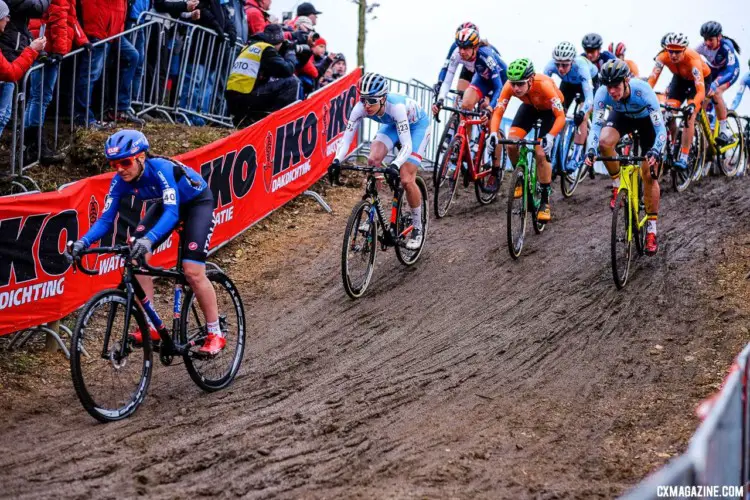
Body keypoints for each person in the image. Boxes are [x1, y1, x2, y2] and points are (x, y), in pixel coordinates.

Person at [67, 130, 225, 355]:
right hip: (166, 204)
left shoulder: (161, 168)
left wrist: (149, 240)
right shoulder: (119, 181)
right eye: (114, 164)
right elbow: (105, 220)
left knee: (192, 272)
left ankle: (215, 333)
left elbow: (172, 213)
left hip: (196, 205)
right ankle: (151, 327)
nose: (120, 169)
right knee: (136, 255)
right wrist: (83, 242)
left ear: (141, 157)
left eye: (125, 162)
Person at [328, 73, 431, 250]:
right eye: (363, 99)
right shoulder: (360, 108)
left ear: (383, 98)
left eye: (372, 100)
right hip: (392, 125)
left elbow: (406, 145)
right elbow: (346, 139)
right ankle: (372, 213)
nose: (367, 105)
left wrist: (395, 165)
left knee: (406, 178)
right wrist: (336, 161)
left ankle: (417, 228)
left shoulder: (396, 107)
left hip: (417, 127)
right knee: (373, 159)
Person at [585, 59, 666, 255]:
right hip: (622, 118)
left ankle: (652, 230)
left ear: (626, 80)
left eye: (616, 86)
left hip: (647, 123)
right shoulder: (603, 94)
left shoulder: (643, 90)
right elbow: (596, 125)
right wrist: (591, 149)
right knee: (604, 143)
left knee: (649, 175)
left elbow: (660, 128)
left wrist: (655, 149)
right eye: (608, 86)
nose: (612, 91)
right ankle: (617, 185)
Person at [489, 58, 566, 222]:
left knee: (540, 152)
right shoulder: (510, 87)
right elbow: (498, 112)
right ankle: (520, 177)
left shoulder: (544, 84)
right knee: (511, 144)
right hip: (530, 108)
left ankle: (545, 201)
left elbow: (561, 116)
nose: (516, 88)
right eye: (513, 84)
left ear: (530, 79)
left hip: (550, 113)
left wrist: (550, 136)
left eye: (520, 84)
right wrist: (493, 133)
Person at [26, 0, 87, 164]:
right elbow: (59, 18)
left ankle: (30, 146)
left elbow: (69, 18)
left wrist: (82, 40)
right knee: (40, 97)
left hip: (47, 44)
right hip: (48, 48)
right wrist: (60, 50)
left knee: (38, 97)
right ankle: (33, 147)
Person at [648, 32, 711, 173]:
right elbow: (651, 81)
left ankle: (684, 155)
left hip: (699, 82)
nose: (673, 55)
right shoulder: (662, 57)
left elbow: (700, 91)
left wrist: (693, 104)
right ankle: (672, 144)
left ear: (684, 50)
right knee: (667, 111)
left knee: (690, 114)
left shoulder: (693, 59)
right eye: (671, 51)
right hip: (680, 79)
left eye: (677, 52)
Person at [224, 23, 298, 127]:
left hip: (233, 100)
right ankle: (277, 123)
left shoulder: (249, 46)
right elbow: (288, 70)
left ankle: (251, 119)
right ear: (279, 41)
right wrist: (291, 53)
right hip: (246, 98)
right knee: (291, 82)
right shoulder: (266, 49)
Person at [544, 41, 597, 171]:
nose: (560, 68)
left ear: (572, 62)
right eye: (558, 64)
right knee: (558, 113)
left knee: (582, 116)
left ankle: (576, 157)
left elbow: (589, 97)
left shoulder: (581, 67)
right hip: (568, 83)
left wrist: (583, 112)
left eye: (565, 65)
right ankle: (556, 153)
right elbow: (543, 87)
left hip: (588, 82)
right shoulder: (550, 66)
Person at [434, 27, 506, 119]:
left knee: (488, 116)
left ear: (475, 47)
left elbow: (498, 87)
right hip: (482, 78)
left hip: (501, 81)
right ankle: (464, 133)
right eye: (460, 47)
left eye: (466, 48)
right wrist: (440, 99)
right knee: (465, 106)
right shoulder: (457, 53)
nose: (462, 52)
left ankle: (492, 132)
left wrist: (490, 108)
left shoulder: (486, 55)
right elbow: (447, 80)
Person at [0, 0, 49, 137]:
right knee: (2, 115)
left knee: (4, 116)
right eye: (5, 16)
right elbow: (11, 73)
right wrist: (32, 50)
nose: (8, 19)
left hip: (13, 53)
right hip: (10, 53)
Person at [695, 21, 741, 143]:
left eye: (711, 40)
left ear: (719, 37)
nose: (707, 43)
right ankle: (702, 131)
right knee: (702, 96)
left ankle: (724, 131)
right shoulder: (701, 47)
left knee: (716, 92)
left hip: (729, 71)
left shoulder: (727, 46)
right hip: (715, 71)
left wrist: (715, 84)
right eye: (705, 39)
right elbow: (689, 60)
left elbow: (730, 70)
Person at [433, 21, 478, 97]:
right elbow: (446, 67)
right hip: (468, 70)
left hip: (482, 73)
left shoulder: (483, 49)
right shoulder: (455, 47)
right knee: (460, 97)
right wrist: (440, 82)